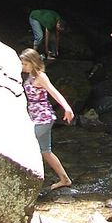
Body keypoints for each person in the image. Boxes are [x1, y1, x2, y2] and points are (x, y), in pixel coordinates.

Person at [19, 48, 74, 190]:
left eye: (25, 64)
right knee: (46, 151)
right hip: (34, 117)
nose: (22, 66)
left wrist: (67, 107)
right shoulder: (29, 76)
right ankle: (65, 179)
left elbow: (54, 92)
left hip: (44, 118)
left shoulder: (41, 77)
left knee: (26, 143)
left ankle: (25, 182)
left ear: (33, 63)